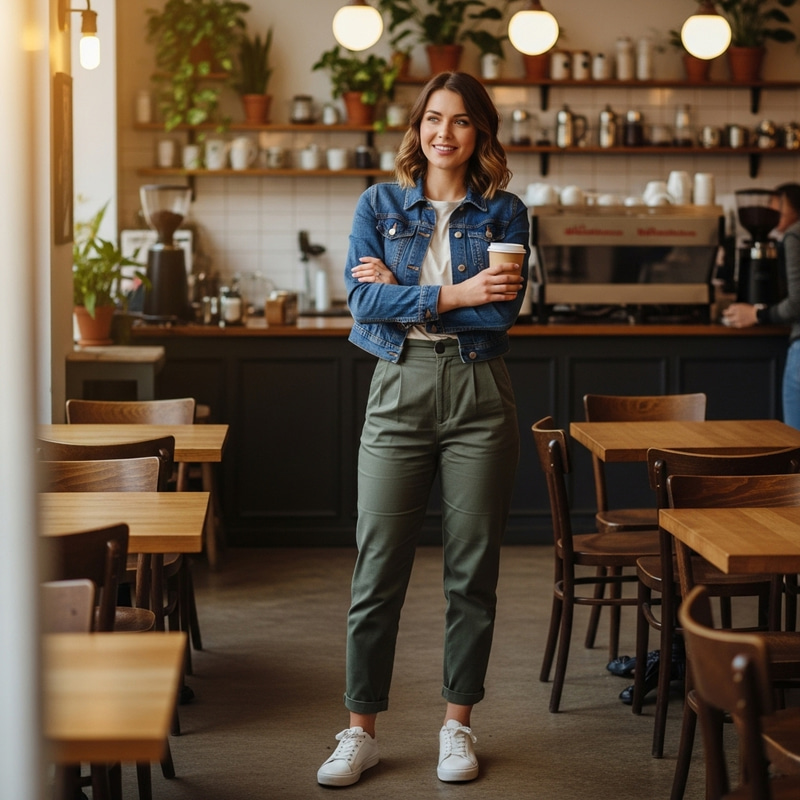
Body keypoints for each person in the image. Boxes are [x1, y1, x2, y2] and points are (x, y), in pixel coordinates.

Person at [316, 72, 529, 787]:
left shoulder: (506, 215)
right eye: (434, 118)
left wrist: (406, 297)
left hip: (478, 390)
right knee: (376, 570)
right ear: (418, 128)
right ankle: (358, 732)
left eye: (462, 121)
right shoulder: (379, 202)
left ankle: (456, 728)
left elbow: (498, 316)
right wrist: (456, 292)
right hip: (398, 384)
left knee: (472, 573)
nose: (445, 132)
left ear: (481, 134)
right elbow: (363, 301)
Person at [723, 183, 800, 429]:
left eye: (775, 205)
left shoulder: (795, 235)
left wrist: (756, 314)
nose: (768, 211)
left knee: (795, 446)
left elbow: (797, 303)